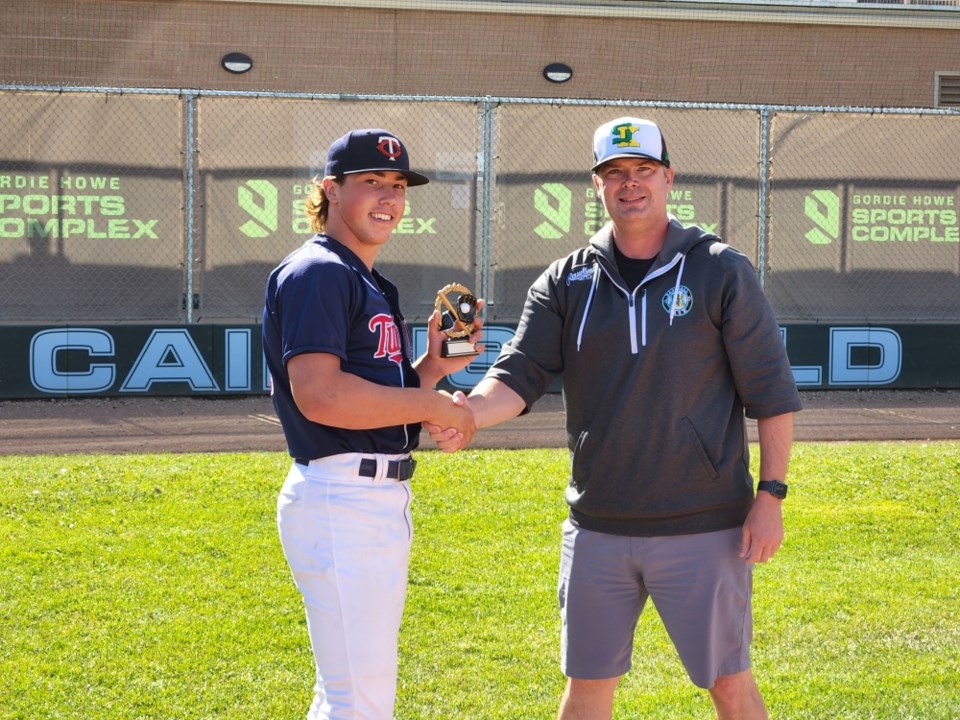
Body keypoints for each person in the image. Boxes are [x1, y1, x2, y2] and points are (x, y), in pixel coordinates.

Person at [429, 117, 802, 719]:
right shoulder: (566, 279)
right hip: (598, 525)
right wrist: (467, 413)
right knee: (586, 690)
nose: (630, 184)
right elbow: (520, 374)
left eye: (643, 171)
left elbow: (771, 394)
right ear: (596, 185)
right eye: (615, 173)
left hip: (702, 524)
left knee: (730, 685)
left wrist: (772, 494)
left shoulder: (719, 269)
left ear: (668, 178)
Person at [262, 127, 481, 720]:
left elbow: (376, 395)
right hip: (343, 499)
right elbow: (321, 396)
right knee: (359, 700)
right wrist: (433, 407)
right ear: (331, 190)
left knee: (347, 691)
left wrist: (430, 371)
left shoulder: (362, 277)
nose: (388, 197)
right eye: (370, 183)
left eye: (397, 185)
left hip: (367, 498)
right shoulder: (319, 272)